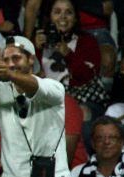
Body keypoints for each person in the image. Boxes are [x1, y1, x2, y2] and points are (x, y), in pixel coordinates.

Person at [0, 36, 71, 177]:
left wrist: (9, 74)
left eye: (16, 58)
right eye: (6, 60)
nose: (10, 64)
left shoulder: (54, 87)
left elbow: (36, 87)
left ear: (31, 59)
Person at [33, 0, 107, 128]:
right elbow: (30, 77)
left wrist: (68, 54)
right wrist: (34, 50)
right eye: (57, 12)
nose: (63, 17)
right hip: (49, 98)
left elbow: (86, 77)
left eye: (68, 12)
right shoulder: (40, 42)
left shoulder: (87, 41)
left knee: (81, 112)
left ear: (75, 18)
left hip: (81, 97)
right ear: (49, 17)